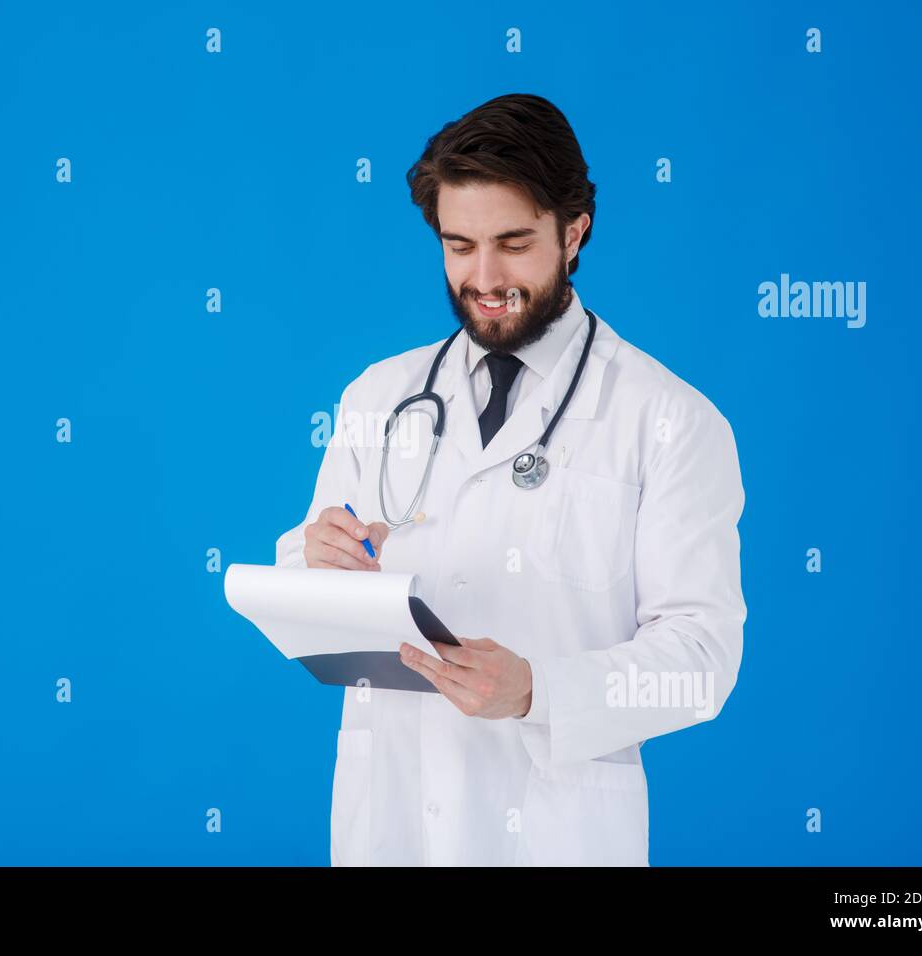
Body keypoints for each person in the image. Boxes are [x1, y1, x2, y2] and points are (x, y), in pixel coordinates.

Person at [274, 93, 747, 866]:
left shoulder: (668, 420)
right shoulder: (378, 397)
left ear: (574, 231)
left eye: (513, 244)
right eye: (459, 246)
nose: (484, 277)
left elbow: (701, 662)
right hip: (390, 824)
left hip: (558, 833)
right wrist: (314, 560)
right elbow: (310, 592)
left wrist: (539, 692)